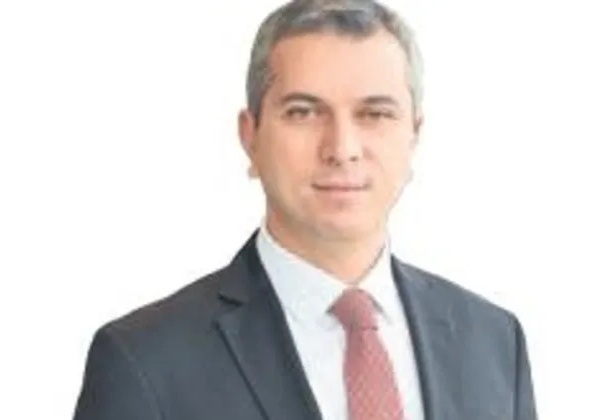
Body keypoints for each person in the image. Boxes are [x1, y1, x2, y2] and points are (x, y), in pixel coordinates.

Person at [72, 1, 538, 419]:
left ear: (413, 135)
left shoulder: (495, 342)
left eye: (375, 114)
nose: (342, 148)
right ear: (250, 136)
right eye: (304, 112)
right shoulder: (146, 361)